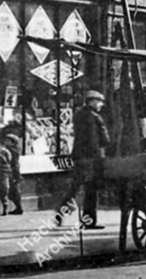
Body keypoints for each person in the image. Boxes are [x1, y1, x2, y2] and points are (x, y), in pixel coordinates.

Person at [56, 90, 110, 229]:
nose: (101, 105)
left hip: (80, 157)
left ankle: (60, 214)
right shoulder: (93, 117)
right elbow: (100, 140)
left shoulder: (79, 115)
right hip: (91, 158)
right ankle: (89, 221)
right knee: (90, 190)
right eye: (99, 102)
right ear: (92, 102)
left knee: (75, 188)